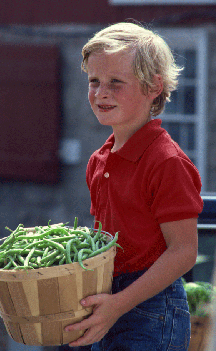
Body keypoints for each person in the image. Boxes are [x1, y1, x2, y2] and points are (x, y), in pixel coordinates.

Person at [64, 22, 204, 350]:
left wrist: (118, 304)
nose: (101, 93)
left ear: (154, 86)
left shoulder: (166, 161)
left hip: (153, 308)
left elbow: (184, 252)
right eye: (94, 81)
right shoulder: (99, 160)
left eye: (116, 82)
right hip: (109, 298)